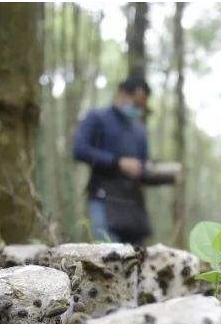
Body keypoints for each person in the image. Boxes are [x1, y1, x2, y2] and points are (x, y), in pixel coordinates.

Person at [72, 76, 177, 245]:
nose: (138, 109)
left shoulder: (139, 131)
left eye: (141, 106)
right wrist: (117, 162)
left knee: (137, 261)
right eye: (135, 103)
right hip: (103, 199)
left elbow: (142, 168)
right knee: (105, 256)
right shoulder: (97, 118)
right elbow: (80, 150)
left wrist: (167, 175)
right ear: (122, 93)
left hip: (133, 206)